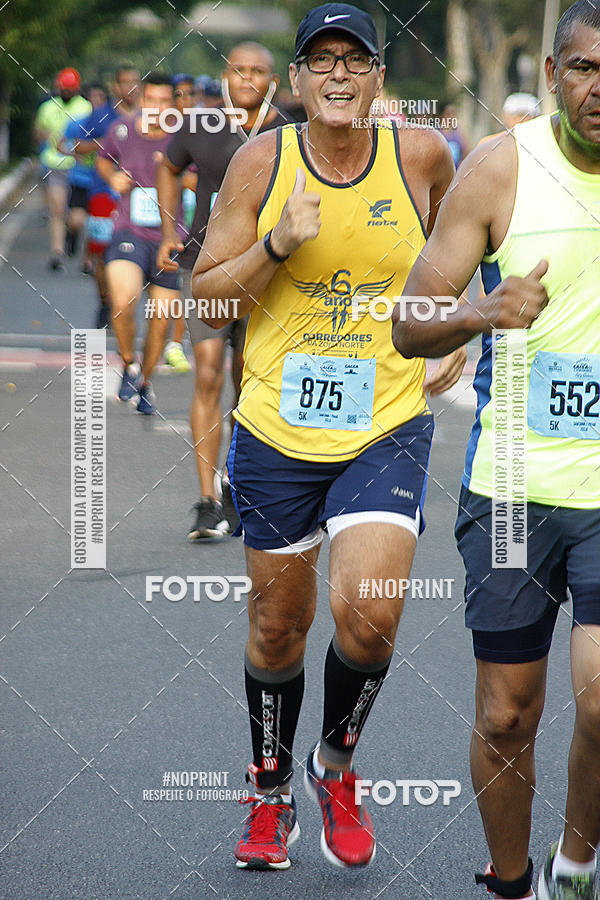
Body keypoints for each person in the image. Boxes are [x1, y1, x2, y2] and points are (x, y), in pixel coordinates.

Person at [192, 2, 465, 871]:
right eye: (322, 59)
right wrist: (275, 243)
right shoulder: (260, 162)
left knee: (372, 616)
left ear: (380, 77)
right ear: (298, 79)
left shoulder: (421, 155)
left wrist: (452, 325)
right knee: (279, 625)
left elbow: (460, 250)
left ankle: (335, 764)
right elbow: (208, 301)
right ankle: (270, 789)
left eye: (356, 59)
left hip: (385, 422)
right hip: (276, 428)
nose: (339, 73)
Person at [391, 2, 600, 897]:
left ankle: (576, 865)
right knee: (508, 713)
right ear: (552, 74)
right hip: (513, 487)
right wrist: (481, 310)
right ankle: (512, 882)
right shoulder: (500, 168)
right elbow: (409, 323)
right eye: (585, 68)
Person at [156, 42, 288, 539]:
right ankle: (207, 500)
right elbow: (167, 166)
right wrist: (169, 229)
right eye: (238, 69)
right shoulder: (201, 122)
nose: (247, 78)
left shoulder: (290, 128)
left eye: (258, 70)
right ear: (225, 74)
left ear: (274, 79)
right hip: (204, 265)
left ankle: (237, 484)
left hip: (266, 270)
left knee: (249, 380)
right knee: (208, 374)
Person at [97, 72, 185, 415]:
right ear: (140, 100)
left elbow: (204, 177)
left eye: (164, 101)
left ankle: (145, 382)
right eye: (151, 100)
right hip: (129, 231)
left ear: (174, 104)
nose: (157, 108)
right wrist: (112, 177)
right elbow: (103, 159)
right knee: (122, 299)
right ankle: (129, 363)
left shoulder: (184, 137)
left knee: (160, 322)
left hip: (170, 239)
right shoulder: (122, 130)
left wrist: (180, 178)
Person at [33, 68, 91, 270]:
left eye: (70, 89)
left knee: (77, 218)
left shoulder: (86, 108)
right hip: (54, 163)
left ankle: (73, 234)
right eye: (64, 88)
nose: (67, 92)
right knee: (57, 209)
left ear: (77, 88)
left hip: (79, 167)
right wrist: (45, 136)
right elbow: (38, 131)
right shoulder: (48, 107)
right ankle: (56, 254)